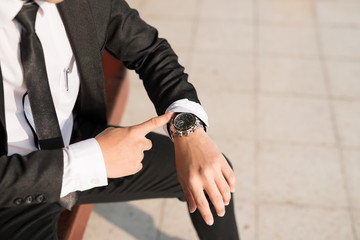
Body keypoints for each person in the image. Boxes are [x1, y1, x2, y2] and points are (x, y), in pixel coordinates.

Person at [0, 0, 239, 239]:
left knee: (213, 176)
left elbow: (149, 50)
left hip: (75, 139)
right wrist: (88, 162)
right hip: (11, 192)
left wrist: (188, 128)